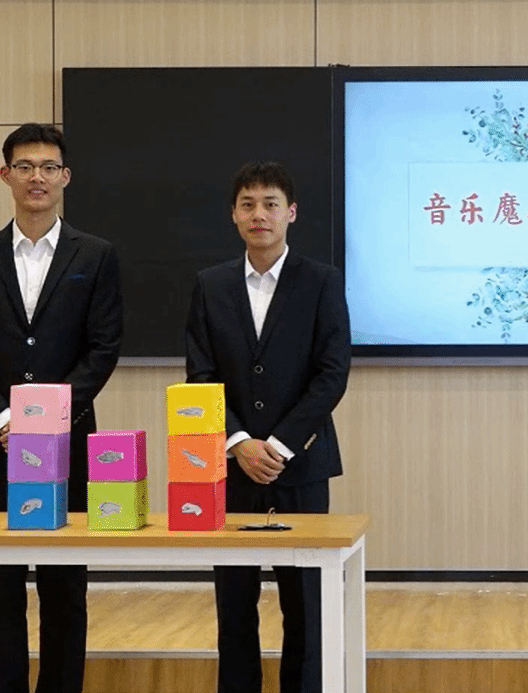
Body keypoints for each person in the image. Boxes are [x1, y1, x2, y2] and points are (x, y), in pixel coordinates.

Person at [0, 122, 124, 693]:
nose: (36, 177)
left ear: (65, 177)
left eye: (47, 167)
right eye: (24, 167)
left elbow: (103, 348)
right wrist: (4, 421)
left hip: (68, 447)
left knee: (65, 588)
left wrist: (46, 424)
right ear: (5, 175)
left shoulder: (96, 255)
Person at [185, 161, 351, 693]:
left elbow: (332, 374)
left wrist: (277, 445)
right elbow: (201, 377)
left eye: (271, 204)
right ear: (234, 215)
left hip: (300, 466)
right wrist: (239, 443)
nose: (260, 214)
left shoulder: (321, 281)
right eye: (248, 204)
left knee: (305, 603)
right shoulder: (210, 285)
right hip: (231, 468)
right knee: (234, 605)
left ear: (291, 213)